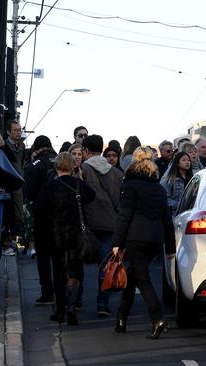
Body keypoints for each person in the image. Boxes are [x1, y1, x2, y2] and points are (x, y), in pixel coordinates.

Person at [112, 147, 175, 339]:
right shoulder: (159, 188)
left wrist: (117, 242)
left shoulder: (130, 185)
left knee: (142, 278)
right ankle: (121, 318)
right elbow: (166, 218)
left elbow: (125, 215)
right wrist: (170, 246)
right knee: (133, 276)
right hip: (155, 238)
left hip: (135, 237)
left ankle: (157, 318)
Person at [37, 152, 95, 325]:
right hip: (76, 233)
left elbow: (39, 209)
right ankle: (72, 305)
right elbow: (91, 196)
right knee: (75, 270)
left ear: (56, 167)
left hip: (55, 234)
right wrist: (81, 178)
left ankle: (60, 310)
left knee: (59, 271)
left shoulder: (50, 186)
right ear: (72, 167)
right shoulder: (78, 185)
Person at [81, 134, 124, 317]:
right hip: (110, 224)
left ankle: (75, 300)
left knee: (78, 263)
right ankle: (103, 303)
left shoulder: (83, 170)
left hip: (88, 224)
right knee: (106, 266)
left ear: (86, 151)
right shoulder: (117, 173)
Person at [24, 135, 58, 305]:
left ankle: (47, 292)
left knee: (43, 256)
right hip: (63, 215)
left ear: (36, 149)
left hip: (42, 215)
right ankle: (66, 292)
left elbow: (28, 192)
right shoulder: (62, 161)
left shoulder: (35, 165)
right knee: (60, 256)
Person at [3, 120, 26, 241]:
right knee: (8, 212)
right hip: (7, 184)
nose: (18, 132)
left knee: (19, 214)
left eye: (19, 130)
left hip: (19, 184)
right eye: (15, 130)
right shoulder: (3, 146)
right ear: (8, 132)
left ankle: (14, 238)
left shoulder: (22, 146)